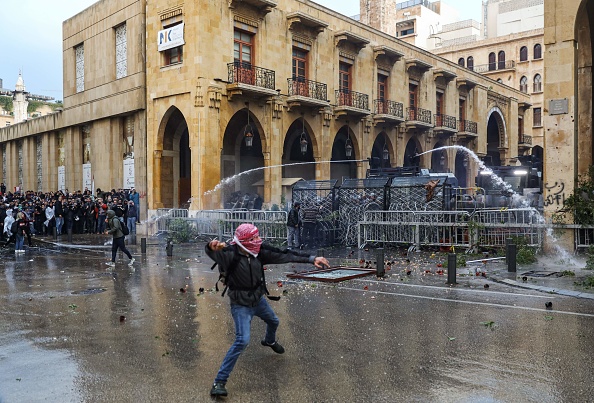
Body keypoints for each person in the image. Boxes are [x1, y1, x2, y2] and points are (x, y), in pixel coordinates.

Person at [206, 223, 330, 398]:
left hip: (258, 300)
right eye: (254, 238)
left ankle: (269, 341)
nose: (258, 240)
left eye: (258, 237)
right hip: (240, 304)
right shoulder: (229, 255)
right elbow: (213, 252)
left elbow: (285, 254)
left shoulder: (260, 252)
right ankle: (219, 382)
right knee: (242, 340)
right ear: (244, 241)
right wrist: (211, 247)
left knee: (274, 321)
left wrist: (311, 259)